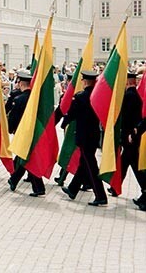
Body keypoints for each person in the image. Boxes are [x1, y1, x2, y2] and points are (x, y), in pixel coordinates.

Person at [61, 71, 108, 206]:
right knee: (84, 163)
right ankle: (73, 189)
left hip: (84, 136)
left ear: (85, 81)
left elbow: (72, 113)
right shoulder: (98, 96)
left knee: (91, 167)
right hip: (94, 135)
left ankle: (100, 196)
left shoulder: (81, 97)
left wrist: (64, 123)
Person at [7, 70, 46, 197]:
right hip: (35, 131)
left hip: (22, 132)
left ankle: (38, 187)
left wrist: (9, 129)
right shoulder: (36, 98)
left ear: (20, 83)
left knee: (25, 157)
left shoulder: (19, 99)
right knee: (24, 156)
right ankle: (14, 179)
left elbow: (13, 117)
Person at [107, 73, 146, 197]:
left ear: (127, 82)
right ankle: (115, 187)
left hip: (130, 135)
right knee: (126, 162)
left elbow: (128, 118)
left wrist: (128, 133)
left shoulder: (129, 96)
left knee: (133, 163)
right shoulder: (136, 95)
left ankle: (145, 188)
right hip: (132, 135)